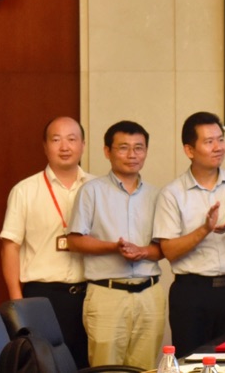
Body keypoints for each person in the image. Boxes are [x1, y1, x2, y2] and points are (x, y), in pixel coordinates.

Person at [153, 112, 225, 357]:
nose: (218, 147)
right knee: (191, 363)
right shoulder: (172, 193)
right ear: (189, 150)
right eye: (209, 142)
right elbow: (169, 251)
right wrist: (204, 230)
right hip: (191, 293)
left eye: (221, 139)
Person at [67, 120, 165, 369]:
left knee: (146, 368)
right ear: (107, 151)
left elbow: (163, 248)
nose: (132, 154)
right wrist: (113, 248)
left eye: (139, 148)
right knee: (106, 368)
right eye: (123, 147)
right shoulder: (91, 191)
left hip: (150, 294)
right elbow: (74, 241)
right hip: (107, 294)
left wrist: (143, 251)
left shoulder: (157, 195)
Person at [0, 116, 92, 368]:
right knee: (45, 365)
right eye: (56, 139)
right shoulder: (25, 190)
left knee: (87, 364)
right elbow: (10, 246)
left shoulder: (97, 188)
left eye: (72, 139)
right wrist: (17, 300)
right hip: (42, 296)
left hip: (91, 295)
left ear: (83, 145)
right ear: (45, 146)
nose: (65, 146)